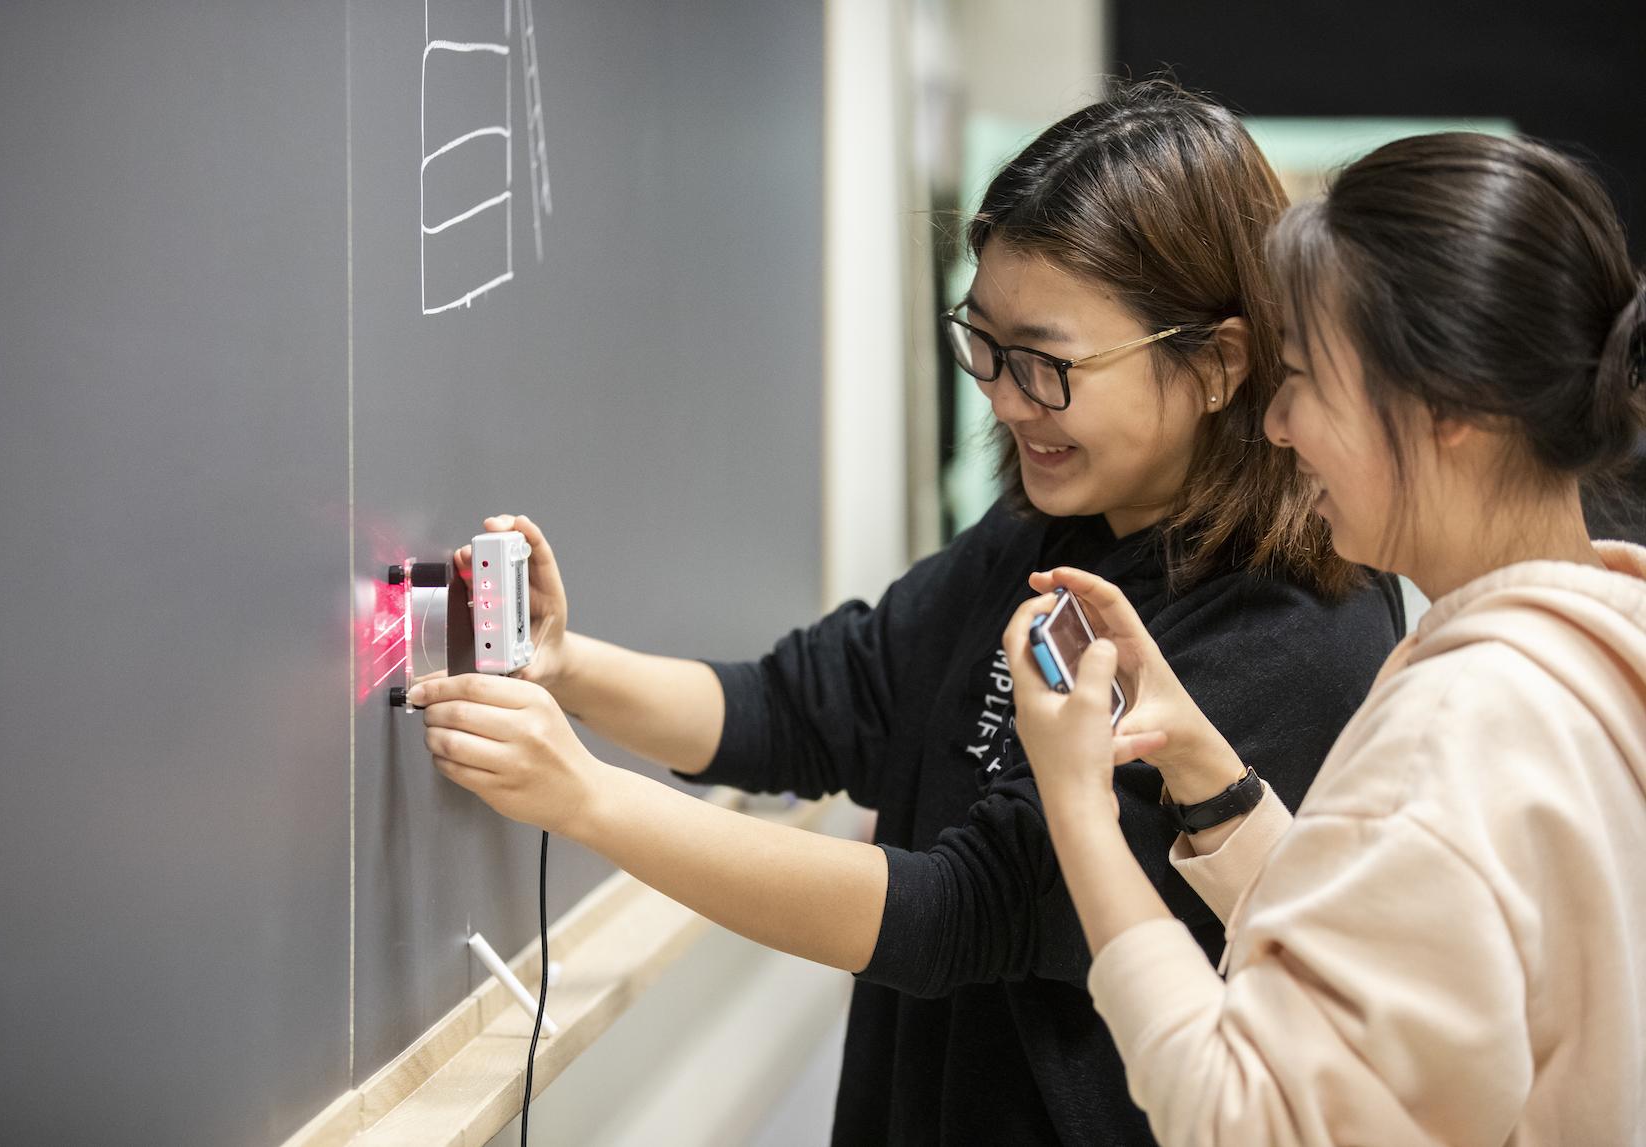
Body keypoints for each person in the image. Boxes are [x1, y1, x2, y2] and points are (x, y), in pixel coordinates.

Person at [409, 82, 1405, 1144]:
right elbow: (808, 705)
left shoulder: (1291, 634)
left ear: (1215, 362)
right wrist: (570, 664)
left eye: (1047, 365)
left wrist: (589, 801)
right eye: (983, 343)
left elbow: (956, 912)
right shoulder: (1049, 533)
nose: (1005, 398)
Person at [1008, 131, 1646, 1145]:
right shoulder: (1595, 654)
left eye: (1301, 380)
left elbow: (1239, 1114)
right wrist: (1201, 766)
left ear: (1447, 408)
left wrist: (1075, 804)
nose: (1275, 425)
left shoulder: (1456, 724)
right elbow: (1421, 953)